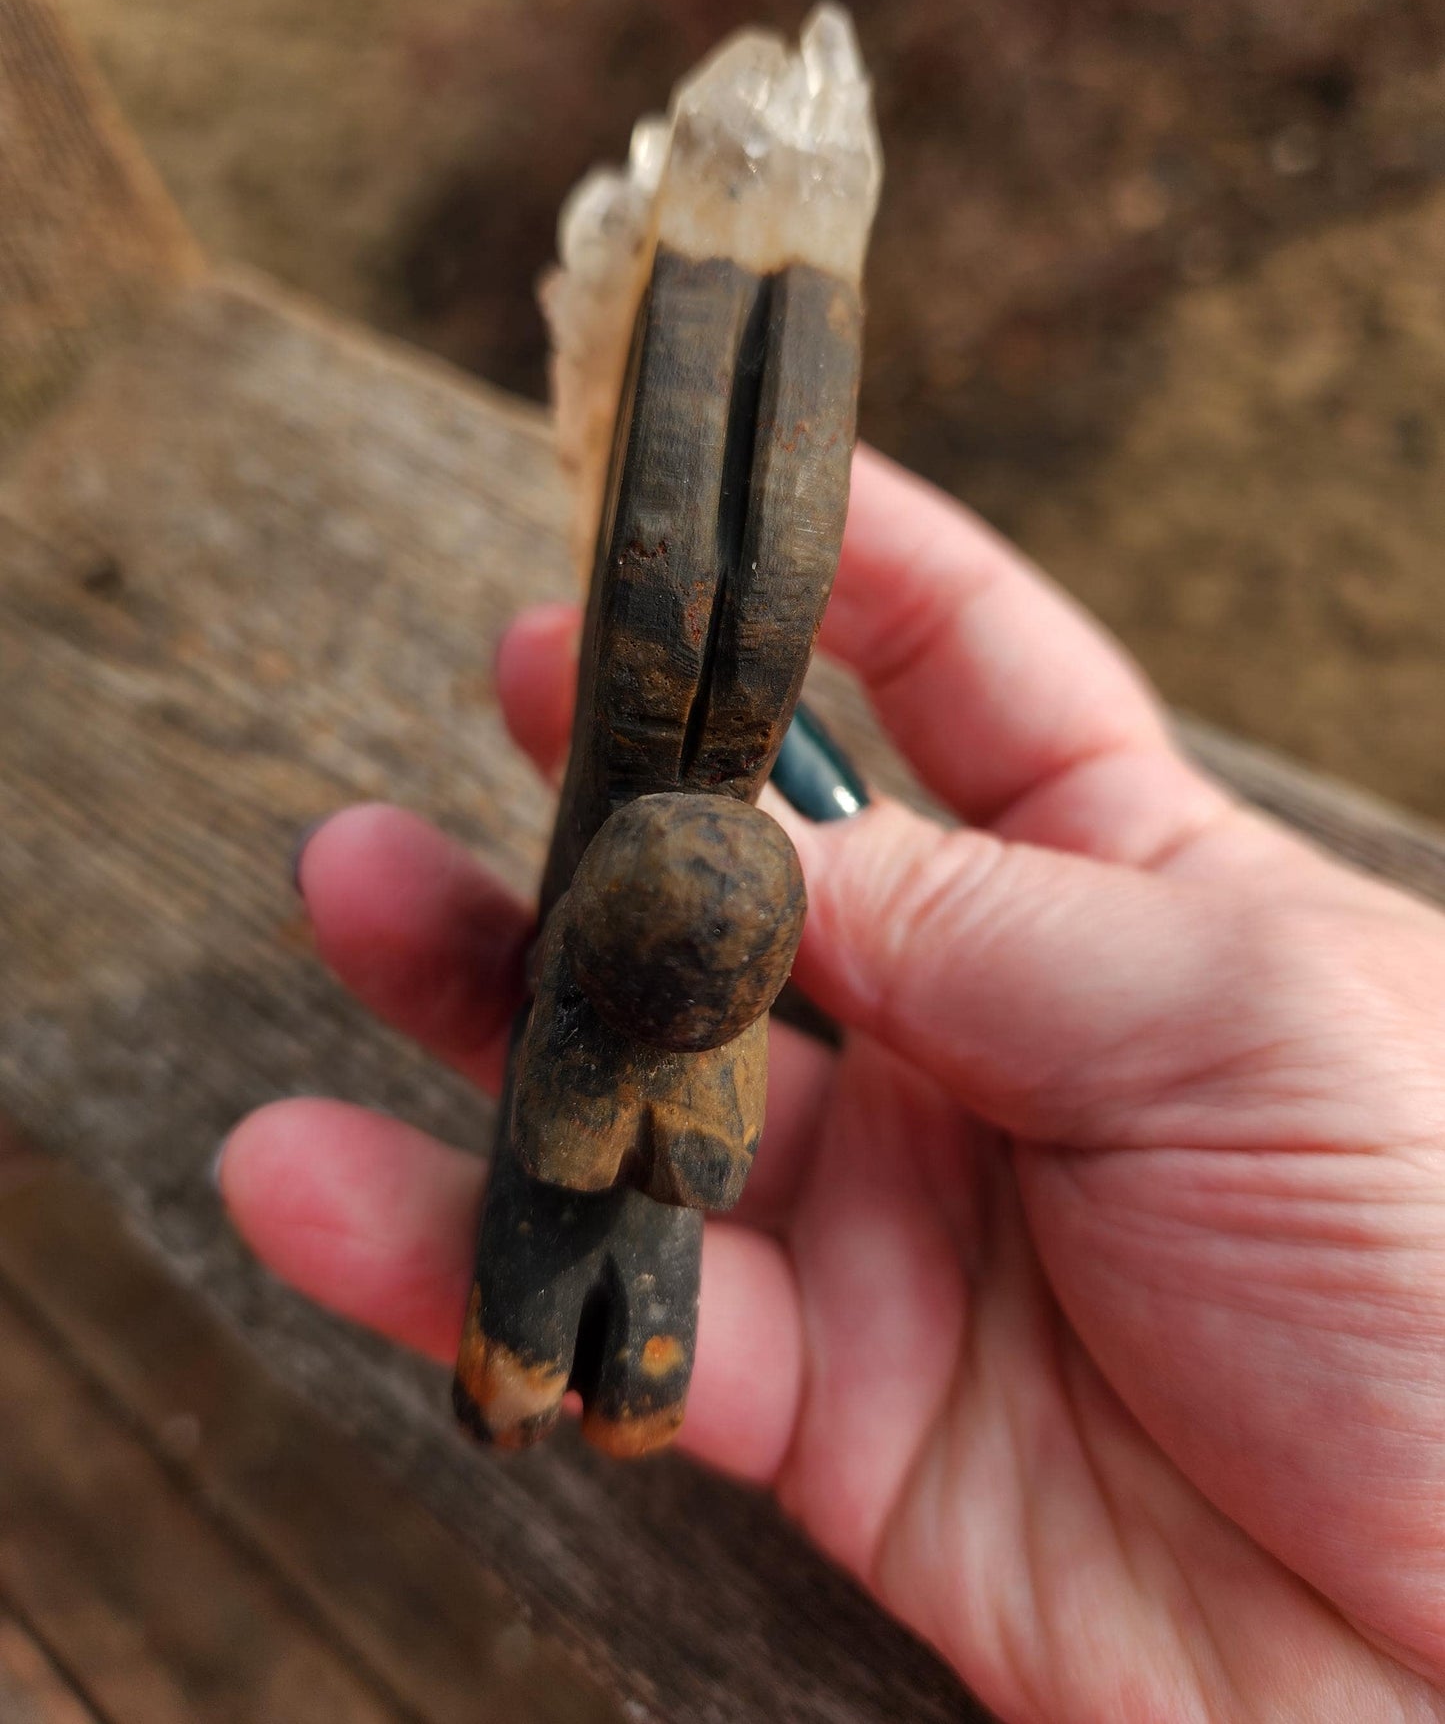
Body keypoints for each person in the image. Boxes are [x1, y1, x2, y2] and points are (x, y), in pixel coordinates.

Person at [217, 447, 1445, 1720]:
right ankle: (523, 1379)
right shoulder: (577, 1029)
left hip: (690, 1232)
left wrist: (671, 1115)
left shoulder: (715, 1051)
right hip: (570, 1188)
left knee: (645, 1295)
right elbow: (584, 1136)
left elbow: (712, 1162)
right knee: (529, 1275)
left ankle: (612, 1387)